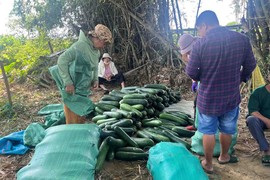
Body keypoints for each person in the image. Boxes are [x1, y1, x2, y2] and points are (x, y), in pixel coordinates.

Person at [186, 10, 256, 173]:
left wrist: (202, 77)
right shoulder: (241, 40)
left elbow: (191, 72)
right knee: (227, 129)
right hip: (231, 96)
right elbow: (250, 65)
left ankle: (208, 164)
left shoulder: (200, 45)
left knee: (208, 131)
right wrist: (240, 78)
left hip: (208, 98)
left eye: (199, 29)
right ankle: (224, 156)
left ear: (204, 25)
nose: (199, 33)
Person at [49, 24, 112, 124]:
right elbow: (62, 60)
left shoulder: (96, 52)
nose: (103, 46)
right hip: (72, 88)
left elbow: (95, 66)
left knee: (81, 116)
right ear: (97, 38)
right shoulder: (79, 47)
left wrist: (95, 80)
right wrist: (68, 82)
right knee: (72, 119)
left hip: (83, 88)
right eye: (104, 43)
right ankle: (71, 135)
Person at [178, 34, 198, 130]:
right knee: (196, 103)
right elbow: (191, 70)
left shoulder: (203, 47)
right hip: (199, 81)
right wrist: (194, 82)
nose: (188, 52)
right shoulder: (191, 54)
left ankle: (205, 127)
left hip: (208, 82)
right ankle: (196, 125)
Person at [246, 82, 270, 166]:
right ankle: (266, 150)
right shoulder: (258, 92)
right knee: (251, 120)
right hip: (262, 120)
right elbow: (253, 111)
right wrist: (267, 121)